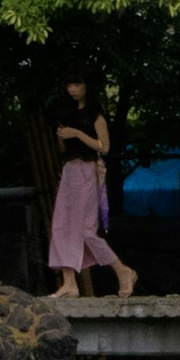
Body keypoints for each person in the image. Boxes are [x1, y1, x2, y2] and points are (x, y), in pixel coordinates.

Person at [47, 78, 137, 298]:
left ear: (86, 86)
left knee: (86, 230)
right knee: (61, 226)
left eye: (77, 84)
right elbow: (65, 149)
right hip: (69, 171)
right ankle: (69, 283)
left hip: (87, 171)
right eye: (69, 85)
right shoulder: (67, 114)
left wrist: (77, 133)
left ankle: (122, 270)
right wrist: (63, 137)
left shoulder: (95, 116)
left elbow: (104, 147)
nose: (72, 89)